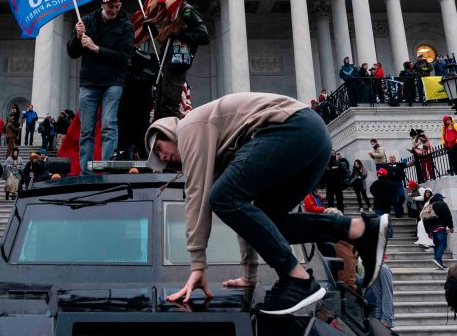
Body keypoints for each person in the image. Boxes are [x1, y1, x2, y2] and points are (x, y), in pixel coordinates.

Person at [144, 92, 389, 315]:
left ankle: (298, 279)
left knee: (221, 197)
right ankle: (359, 229)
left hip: (292, 128)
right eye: (159, 159)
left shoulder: (189, 127)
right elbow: (248, 220)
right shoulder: (218, 148)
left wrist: (197, 265)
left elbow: (197, 199)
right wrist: (250, 275)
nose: (163, 157)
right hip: (312, 136)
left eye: (159, 148)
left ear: (167, 132)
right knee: (268, 219)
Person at [67, 0, 134, 175]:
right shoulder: (86, 22)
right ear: (102, 4)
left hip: (113, 82)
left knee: (109, 125)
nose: (113, 10)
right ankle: (86, 172)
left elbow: (124, 58)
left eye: (117, 6)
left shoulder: (126, 26)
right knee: (86, 130)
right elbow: (72, 52)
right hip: (89, 82)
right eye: (110, 6)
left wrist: (96, 48)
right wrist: (78, 36)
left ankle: (107, 169)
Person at [152, 2, 210, 120]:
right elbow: (164, 39)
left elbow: (203, 36)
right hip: (165, 65)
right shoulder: (170, 13)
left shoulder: (187, 11)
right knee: (159, 109)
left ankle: (173, 136)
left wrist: (180, 34)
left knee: (169, 108)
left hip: (177, 65)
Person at [422, 192, 453, 270]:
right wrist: (451, 226)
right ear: (440, 198)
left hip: (432, 229)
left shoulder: (429, 206)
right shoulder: (442, 204)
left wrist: (428, 231)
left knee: (437, 245)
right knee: (443, 243)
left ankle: (439, 263)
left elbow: (424, 219)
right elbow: (448, 216)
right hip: (440, 228)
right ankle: (437, 259)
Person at [364, 263, 394, 329]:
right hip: (370, 313)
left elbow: (387, 295)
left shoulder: (383, 269)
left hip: (379, 315)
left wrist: (386, 319)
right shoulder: (372, 269)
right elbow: (361, 281)